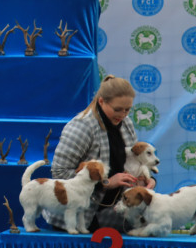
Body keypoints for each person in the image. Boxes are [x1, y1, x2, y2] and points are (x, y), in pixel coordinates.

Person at [48, 74, 155, 233]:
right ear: (101, 101)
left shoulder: (126, 124)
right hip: (78, 216)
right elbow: (59, 173)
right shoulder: (81, 127)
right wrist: (105, 183)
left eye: (128, 109)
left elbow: (136, 161)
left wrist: (147, 179)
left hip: (115, 209)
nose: (123, 115)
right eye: (117, 109)